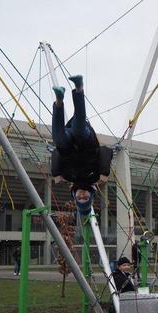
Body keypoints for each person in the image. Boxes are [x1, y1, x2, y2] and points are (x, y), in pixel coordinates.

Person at [50, 75, 113, 217]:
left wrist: (56, 173)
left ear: (74, 195)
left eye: (80, 198)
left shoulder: (67, 176)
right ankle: (79, 89)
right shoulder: (96, 177)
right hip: (87, 144)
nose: (82, 195)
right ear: (91, 195)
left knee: (58, 140)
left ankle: (59, 101)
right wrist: (104, 172)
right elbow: (105, 151)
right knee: (79, 130)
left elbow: (55, 153)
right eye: (85, 198)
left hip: (68, 146)